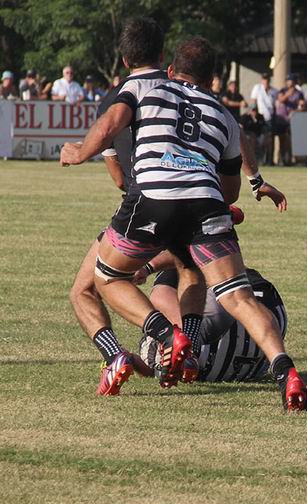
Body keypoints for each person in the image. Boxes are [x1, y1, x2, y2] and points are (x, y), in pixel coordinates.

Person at [60, 36, 307, 410]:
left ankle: (165, 337)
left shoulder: (147, 89)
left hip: (152, 198)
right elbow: (230, 191)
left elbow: (110, 123)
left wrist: (80, 152)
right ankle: (286, 372)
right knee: (236, 296)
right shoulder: (224, 115)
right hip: (206, 204)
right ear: (213, 79)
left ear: (171, 69)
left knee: (106, 277)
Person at [66, 16, 172, 397]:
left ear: (125, 60)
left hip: (140, 205)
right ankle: (166, 347)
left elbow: (117, 177)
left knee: (86, 287)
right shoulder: (181, 90)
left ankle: (144, 346)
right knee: (189, 272)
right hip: (195, 203)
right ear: (163, 54)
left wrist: (79, 152)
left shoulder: (117, 97)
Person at [139, 268, 287, 382]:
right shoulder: (163, 348)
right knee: (190, 262)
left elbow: (147, 370)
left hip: (252, 362)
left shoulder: (160, 367)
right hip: (265, 316)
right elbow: (161, 296)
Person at [274, 72, 304, 166]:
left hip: (292, 120)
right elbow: (281, 99)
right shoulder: (283, 90)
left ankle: (290, 159)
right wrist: (288, 94)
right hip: (281, 119)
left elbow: (302, 105)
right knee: (281, 140)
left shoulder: (299, 93)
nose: (288, 82)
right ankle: (281, 159)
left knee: (290, 140)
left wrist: (297, 110)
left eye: (290, 80)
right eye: (287, 80)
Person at [249, 73, 277, 165]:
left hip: (269, 119)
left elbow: (275, 105)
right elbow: (253, 102)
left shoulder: (274, 91)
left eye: (267, 79)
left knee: (269, 140)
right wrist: (254, 114)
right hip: (259, 119)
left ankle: (269, 160)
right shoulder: (257, 88)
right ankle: (256, 159)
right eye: (264, 79)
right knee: (257, 139)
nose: (265, 81)